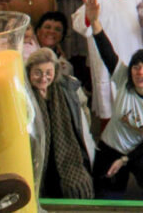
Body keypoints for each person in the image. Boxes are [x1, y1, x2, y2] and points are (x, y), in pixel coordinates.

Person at [83, 0, 143, 200]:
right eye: (137, 67)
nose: (140, 72)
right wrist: (95, 22)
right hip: (111, 146)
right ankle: (118, 174)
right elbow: (108, 53)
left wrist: (125, 160)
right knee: (105, 197)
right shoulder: (124, 78)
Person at [71, 0, 143, 120]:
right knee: (111, 107)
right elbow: (79, 25)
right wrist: (88, 16)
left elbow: (140, 18)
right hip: (107, 56)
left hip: (131, 51)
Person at [26, 47, 95, 199]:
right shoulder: (23, 95)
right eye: (37, 72)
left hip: (65, 152)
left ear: (55, 71)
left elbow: (83, 114)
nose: (43, 78)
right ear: (29, 71)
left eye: (48, 72)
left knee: (74, 186)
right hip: (38, 153)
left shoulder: (68, 88)